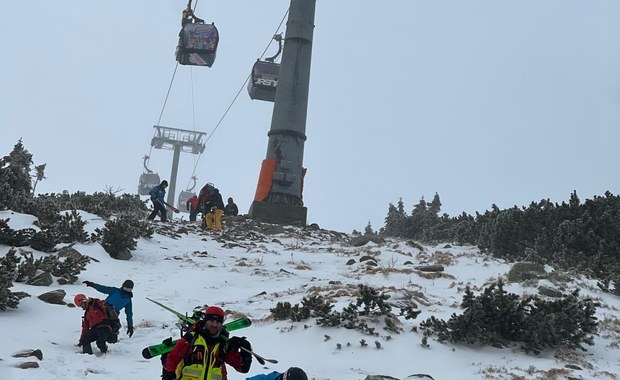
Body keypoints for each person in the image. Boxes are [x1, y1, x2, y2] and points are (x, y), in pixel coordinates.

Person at [162, 306, 252, 380]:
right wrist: (170, 373)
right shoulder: (191, 338)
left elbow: (242, 367)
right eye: (211, 321)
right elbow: (173, 358)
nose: (214, 325)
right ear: (205, 321)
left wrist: (246, 349)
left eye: (218, 322)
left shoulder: (223, 345)